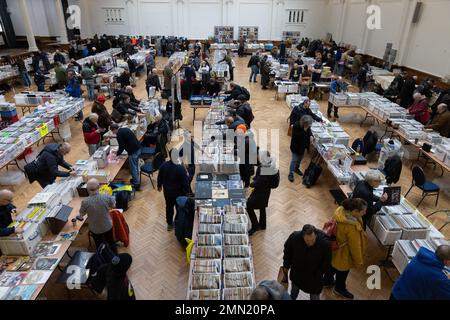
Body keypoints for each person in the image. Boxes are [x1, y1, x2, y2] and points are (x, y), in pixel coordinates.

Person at [323, 198, 368, 299]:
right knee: (343, 272)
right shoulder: (351, 227)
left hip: (335, 248)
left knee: (332, 265)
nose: (365, 213)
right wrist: (359, 261)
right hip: (344, 253)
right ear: (355, 211)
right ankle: (339, 288)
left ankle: (326, 281)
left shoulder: (340, 212)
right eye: (363, 211)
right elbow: (355, 247)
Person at [283, 224, 331, 300]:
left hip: (314, 279)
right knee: (294, 292)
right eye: (307, 241)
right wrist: (286, 266)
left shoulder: (324, 244)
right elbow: (287, 251)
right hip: (297, 274)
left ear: (315, 234)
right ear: (303, 236)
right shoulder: (294, 237)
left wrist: (319, 272)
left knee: (315, 297)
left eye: (312, 240)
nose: (311, 243)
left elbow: (327, 261)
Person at [247, 150, 280, 235]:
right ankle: (263, 225)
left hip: (260, 192)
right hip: (266, 191)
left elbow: (259, 182)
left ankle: (255, 226)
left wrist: (251, 184)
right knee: (262, 206)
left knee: (249, 205)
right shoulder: (270, 165)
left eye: (259, 155)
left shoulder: (263, 168)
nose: (257, 156)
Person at [80, 178, 117, 252]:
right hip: (107, 225)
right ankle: (114, 254)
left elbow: (81, 214)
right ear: (99, 187)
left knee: (99, 245)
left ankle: (101, 256)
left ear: (87, 189)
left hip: (95, 229)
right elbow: (113, 206)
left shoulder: (84, 202)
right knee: (111, 242)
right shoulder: (107, 196)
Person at [157, 149, 190, 231]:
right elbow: (185, 183)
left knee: (169, 207)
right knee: (179, 208)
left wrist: (159, 186)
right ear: (177, 156)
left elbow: (159, 177)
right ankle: (178, 222)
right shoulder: (180, 169)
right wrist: (187, 192)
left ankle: (169, 224)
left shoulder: (163, 166)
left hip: (167, 193)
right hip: (178, 194)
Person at [110, 124, 142, 190]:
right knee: (136, 165)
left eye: (113, 131)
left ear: (115, 129)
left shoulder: (119, 134)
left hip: (133, 152)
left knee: (133, 168)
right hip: (138, 148)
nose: (113, 133)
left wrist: (117, 154)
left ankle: (136, 184)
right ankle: (136, 179)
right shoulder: (125, 129)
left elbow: (122, 146)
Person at [288, 115, 313, 182]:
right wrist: (304, 130)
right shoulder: (296, 125)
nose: (309, 126)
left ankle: (296, 168)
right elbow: (295, 137)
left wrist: (311, 136)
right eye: (308, 125)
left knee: (300, 159)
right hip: (296, 147)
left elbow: (309, 131)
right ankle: (291, 174)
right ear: (304, 123)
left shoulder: (307, 126)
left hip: (303, 147)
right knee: (294, 160)